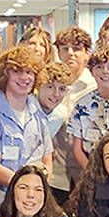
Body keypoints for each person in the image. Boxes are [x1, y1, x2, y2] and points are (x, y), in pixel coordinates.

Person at [0, 45, 53, 209]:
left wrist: (37, 190)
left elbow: (47, 157)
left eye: (29, 72)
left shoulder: (38, 112)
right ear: (4, 75)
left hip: (32, 203)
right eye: (17, 71)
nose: (24, 77)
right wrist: (27, 188)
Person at [70, 46, 109, 172]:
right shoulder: (81, 105)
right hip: (92, 168)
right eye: (99, 67)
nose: (106, 71)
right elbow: (78, 148)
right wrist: (91, 173)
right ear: (92, 72)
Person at [36, 62, 77, 200]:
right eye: (50, 87)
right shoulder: (24, 107)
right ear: (39, 86)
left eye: (62, 89)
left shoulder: (61, 115)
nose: (56, 94)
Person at [55, 26, 96, 104]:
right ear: (59, 54)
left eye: (76, 49)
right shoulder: (51, 85)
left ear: (87, 54)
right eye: (65, 49)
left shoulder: (94, 86)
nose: (70, 53)